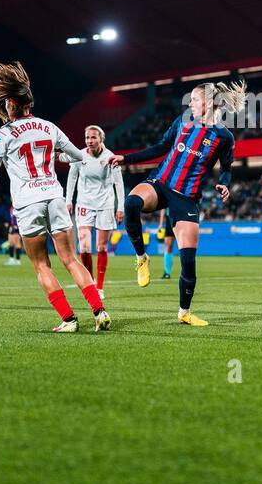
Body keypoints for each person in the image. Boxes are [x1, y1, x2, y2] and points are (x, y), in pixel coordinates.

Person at [0, 61, 108, 332]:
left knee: (41, 265)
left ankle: (69, 320)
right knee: (71, 259)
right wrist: (57, 156)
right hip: (55, 196)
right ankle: (99, 311)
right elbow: (78, 156)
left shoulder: (4, 134)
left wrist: (0, 159)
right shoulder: (49, 127)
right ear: (29, 103)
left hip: (28, 203)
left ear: (10, 105)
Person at [110, 81, 242, 327]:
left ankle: (184, 312)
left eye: (194, 99)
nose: (189, 103)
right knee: (131, 203)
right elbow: (161, 147)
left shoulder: (224, 136)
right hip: (160, 182)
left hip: (186, 197)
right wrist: (126, 158)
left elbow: (226, 168)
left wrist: (224, 183)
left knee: (188, 260)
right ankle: (142, 257)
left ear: (210, 102)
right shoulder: (182, 122)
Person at [64, 124, 125, 296]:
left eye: (93, 137)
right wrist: (68, 201)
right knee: (83, 247)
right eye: (87, 138)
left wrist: (120, 207)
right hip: (84, 204)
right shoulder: (79, 155)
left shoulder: (110, 157)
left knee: (102, 247)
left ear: (101, 139)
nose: (90, 141)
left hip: (105, 205)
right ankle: (90, 284)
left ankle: (100, 287)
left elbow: (118, 183)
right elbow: (72, 179)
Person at [158, 210, 175, 279]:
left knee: (185, 245)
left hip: (182, 217)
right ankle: (167, 273)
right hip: (170, 218)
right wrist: (161, 223)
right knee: (168, 245)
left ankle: (187, 272)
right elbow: (163, 208)